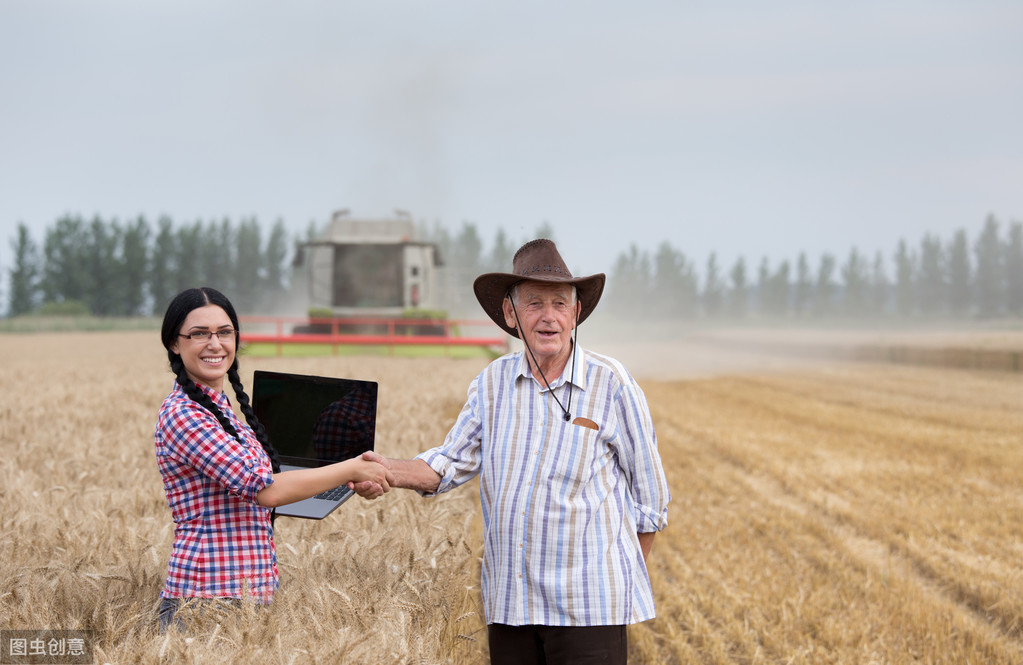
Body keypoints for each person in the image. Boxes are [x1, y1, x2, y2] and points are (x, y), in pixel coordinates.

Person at [353, 239, 671, 665]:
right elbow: (447, 464)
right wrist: (385, 469)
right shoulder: (492, 383)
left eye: (560, 303)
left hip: (589, 609)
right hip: (512, 605)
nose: (549, 316)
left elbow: (650, 500)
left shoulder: (611, 383)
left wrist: (617, 580)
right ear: (510, 314)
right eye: (534, 303)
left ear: (576, 314)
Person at [154, 287, 393, 632]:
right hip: (204, 600)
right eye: (199, 334)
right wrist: (352, 467)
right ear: (174, 343)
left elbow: (263, 490)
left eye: (224, 332)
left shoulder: (222, 412)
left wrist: (347, 481)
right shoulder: (184, 415)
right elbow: (265, 490)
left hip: (245, 597)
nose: (215, 343)